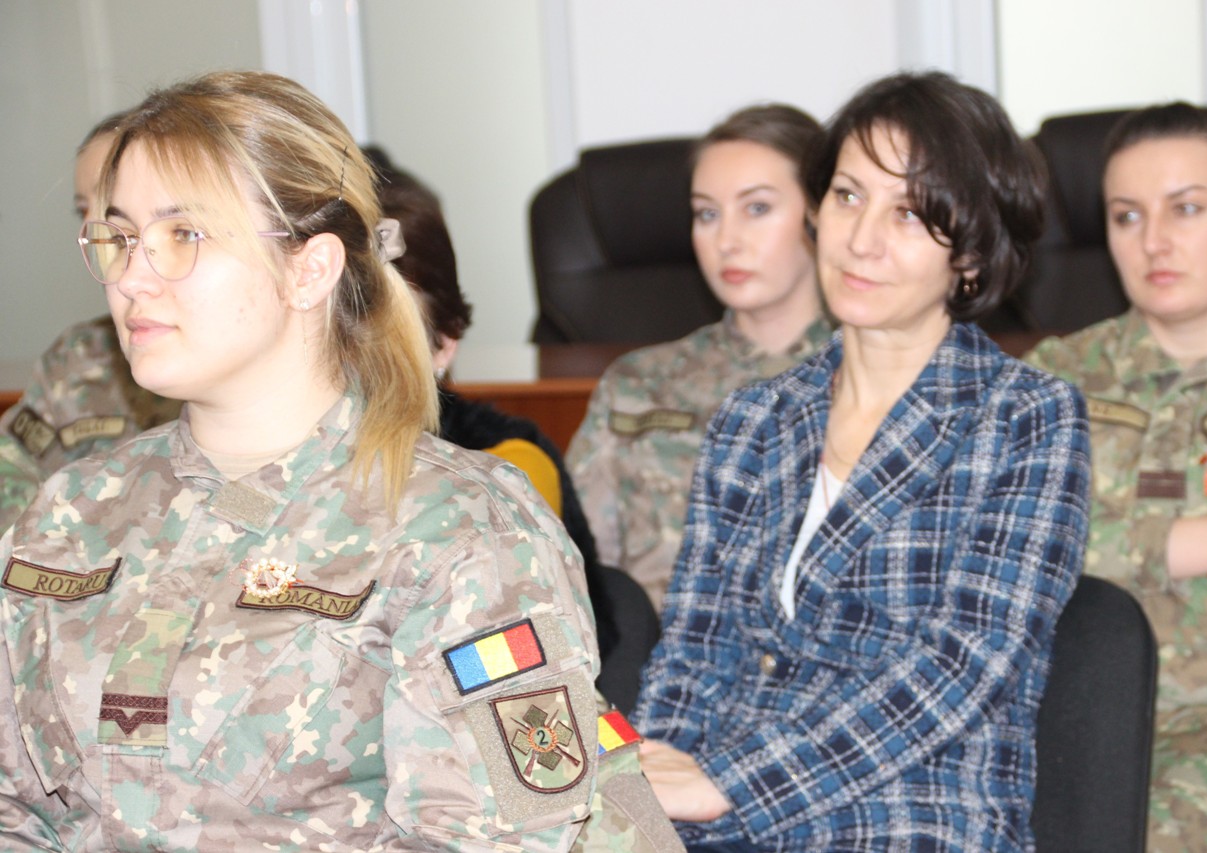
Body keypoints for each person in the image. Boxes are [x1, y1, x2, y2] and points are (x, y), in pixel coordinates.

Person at [0, 71, 679, 851]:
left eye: (183, 235)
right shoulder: (72, 507)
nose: (131, 277)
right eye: (120, 238)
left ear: (309, 269)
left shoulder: (458, 526)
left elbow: (497, 839)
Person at [633, 71, 1092, 851]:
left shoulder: (1027, 416)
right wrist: (639, 794)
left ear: (971, 254)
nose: (861, 237)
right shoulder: (752, 419)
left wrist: (729, 783)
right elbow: (694, 648)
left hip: (913, 804)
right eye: (848, 196)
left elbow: (960, 666)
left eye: (907, 212)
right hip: (717, 801)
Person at [1023, 102, 1207, 851]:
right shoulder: (1053, 382)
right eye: (1126, 216)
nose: (1154, 240)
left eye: (1186, 209)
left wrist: (1104, 540)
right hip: (1054, 713)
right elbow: (998, 547)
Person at [364, 145, 649, 712]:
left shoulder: (503, 471)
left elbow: (507, 679)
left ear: (443, 343)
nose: (347, 353)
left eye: (380, 327)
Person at [566, 104, 833, 613]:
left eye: (757, 208)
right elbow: (570, 569)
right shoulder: (638, 384)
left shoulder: (875, 377)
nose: (726, 241)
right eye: (707, 214)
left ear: (819, 215)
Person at [0, 112, 180, 531]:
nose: (93, 229)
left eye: (109, 206)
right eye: (85, 209)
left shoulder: (220, 355)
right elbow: (12, 468)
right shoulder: (80, 357)